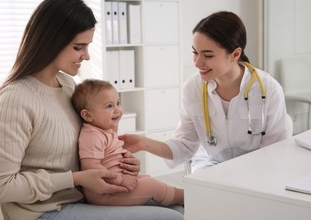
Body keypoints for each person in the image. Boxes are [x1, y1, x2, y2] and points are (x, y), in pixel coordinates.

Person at [0, 0, 184, 220]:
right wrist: (76, 179)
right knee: (171, 218)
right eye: (78, 47)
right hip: (43, 212)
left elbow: (86, 147)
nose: (86, 56)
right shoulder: (15, 100)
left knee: (179, 209)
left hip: (82, 198)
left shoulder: (67, 85)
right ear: (51, 41)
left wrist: (119, 161)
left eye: (87, 47)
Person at [119, 11, 288, 174]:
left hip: (255, 169)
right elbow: (184, 146)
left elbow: (274, 151)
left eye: (208, 55)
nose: (198, 62)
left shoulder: (269, 89)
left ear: (235, 54)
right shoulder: (193, 88)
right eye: (195, 53)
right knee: (204, 193)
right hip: (210, 165)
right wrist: (143, 143)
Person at [72, 78, 184, 206]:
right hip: (105, 193)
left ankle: (177, 198)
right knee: (152, 186)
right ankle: (183, 197)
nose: (118, 109)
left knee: (147, 179)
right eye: (109, 106)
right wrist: (120, 180)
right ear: (87, 115)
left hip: (117, 183)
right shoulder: (92, 136)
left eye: (118, 103)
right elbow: (91, 168)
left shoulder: (104, 130)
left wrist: (125, 158)